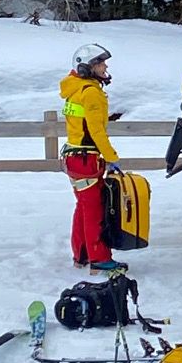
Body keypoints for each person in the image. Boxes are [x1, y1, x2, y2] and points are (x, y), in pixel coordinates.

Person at [59, 43, 126, 277]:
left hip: (74, 157)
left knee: (84, 207)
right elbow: (97, 132)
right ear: (88, 67)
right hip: (87, 159)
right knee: (94, 210)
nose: (105, 66)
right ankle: (99, 258)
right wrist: (112, 158)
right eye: (100, 62)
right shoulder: (91, 92)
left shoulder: (75, 88)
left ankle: (82, 254)